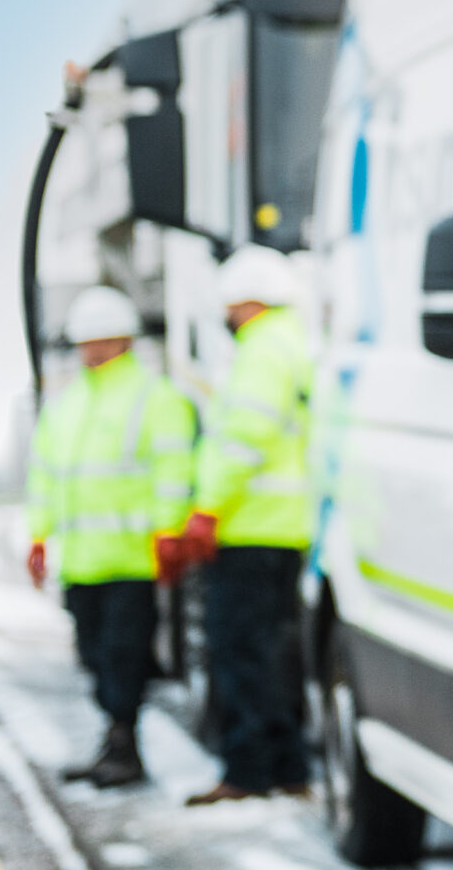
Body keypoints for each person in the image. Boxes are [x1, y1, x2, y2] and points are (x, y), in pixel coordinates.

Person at [25, 285, 196, 790]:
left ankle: (125, 747)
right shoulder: (67, 403)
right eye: (85, 342)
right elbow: (47, 476)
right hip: (82, 561)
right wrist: (39, 537)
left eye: (100, 341)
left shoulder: (154, 397)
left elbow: (173, 469)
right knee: (95, 656)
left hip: (132, 559)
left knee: (124, 656)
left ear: (123, 341)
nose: (91, 351)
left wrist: (169, 533)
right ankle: (113, 741)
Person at [172, 245, 314, 805]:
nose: (228, 320)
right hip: (282, 527)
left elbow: (242, 439)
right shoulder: (295, 344)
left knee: (239, 653)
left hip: (249, 527)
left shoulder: (262, 351)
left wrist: (207, 507)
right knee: (273, 653)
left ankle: (247, 772)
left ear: (249, 302)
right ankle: (288, 767)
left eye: (232, 309)